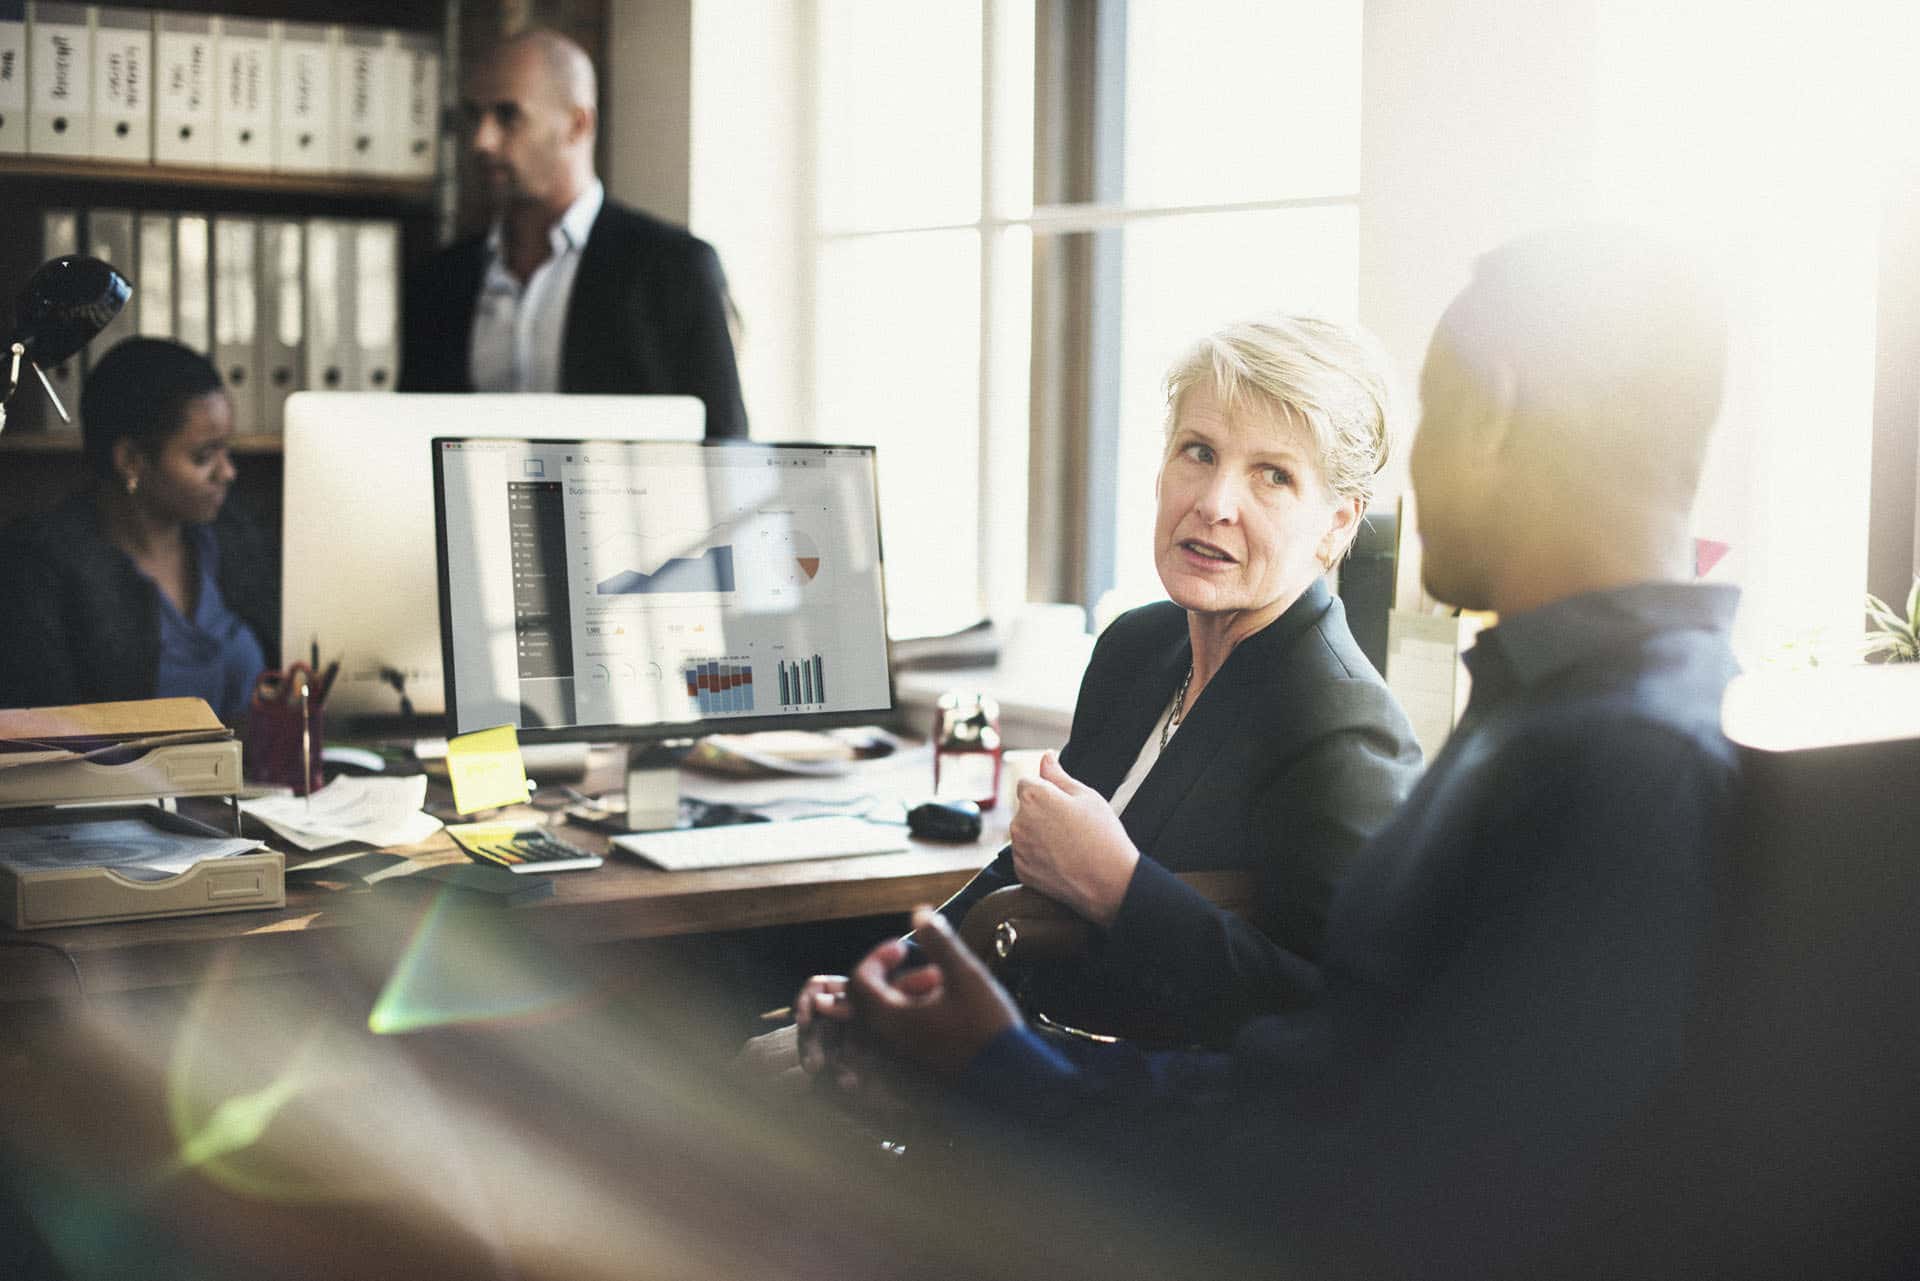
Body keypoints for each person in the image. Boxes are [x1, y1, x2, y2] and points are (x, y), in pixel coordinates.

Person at [820, 226, 1743, 1278]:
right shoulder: (1584, 713)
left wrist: (1008, 1079)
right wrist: (980, 1047)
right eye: (1198, 453)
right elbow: (1330, 1083)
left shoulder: (1608, 764)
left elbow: (1363, 1165)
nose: (1217, 502)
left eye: (1435, 411)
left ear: (1493, 408)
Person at [776, 316, 1421, 1063]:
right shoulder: (1138, 645)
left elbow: (1341, 1032)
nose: (1215, 501)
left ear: (1336, 525)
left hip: (1144, 1137)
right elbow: (1028, 870)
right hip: (1015, 1068)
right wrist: (882, 983)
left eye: (1273, 475)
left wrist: (1121, 887)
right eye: (1199, 451)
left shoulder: (1343, 726)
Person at [398, 28, 750, 439]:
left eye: (508, 115)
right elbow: (413, 445)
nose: (482, 141)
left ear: (578, 124)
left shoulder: (675, 270)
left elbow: (727, 456)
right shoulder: (439, 280)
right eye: (474, 116)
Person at [0, 338, 276, 724]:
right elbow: (45, 735)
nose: (227, 472)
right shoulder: (42, 566)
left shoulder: (235, 537)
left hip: (261, 782)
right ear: (131, 459)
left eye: (226, 451)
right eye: (203, 457)